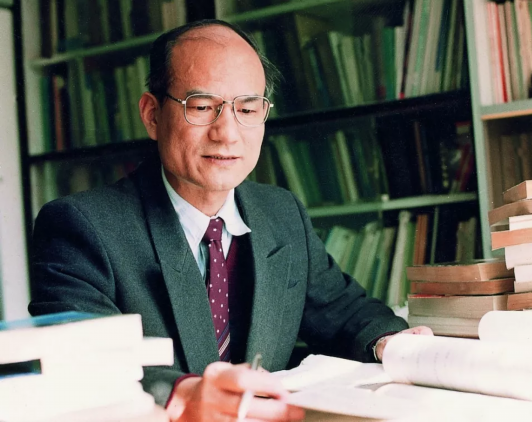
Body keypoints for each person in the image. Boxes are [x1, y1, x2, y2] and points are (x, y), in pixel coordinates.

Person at [29, 19, 432, 421]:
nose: (227, 133)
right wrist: (182, 394)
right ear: (152, 115)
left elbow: (342, 310)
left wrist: (390, 341)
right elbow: (82, 362)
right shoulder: (80, 226)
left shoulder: (281, 213)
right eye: (202, 107)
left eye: (247, 109)